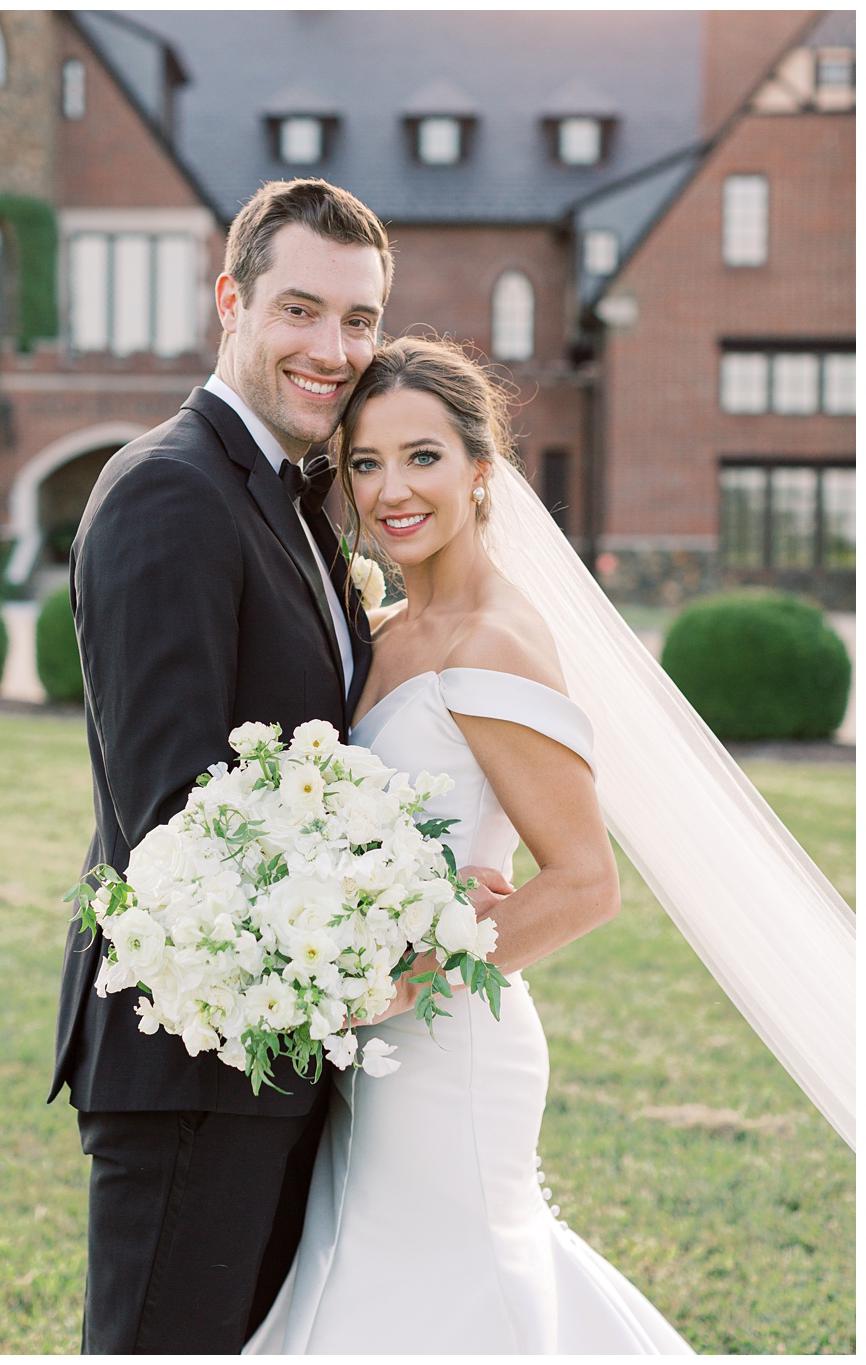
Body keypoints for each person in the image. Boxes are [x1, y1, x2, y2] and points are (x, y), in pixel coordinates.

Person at [242, 336, 690, 1353]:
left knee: (448, 1298)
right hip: (372, 1045)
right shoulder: (386, 626)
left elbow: (585, 882)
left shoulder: (492, 641)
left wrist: (403, 980)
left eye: (422, 457)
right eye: (365, 462)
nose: (390, 489)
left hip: (449, 1049)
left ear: (482, 470)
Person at [55, 178, 394, 1352]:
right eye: (299, 310)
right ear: (230, 302)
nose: (332, 350)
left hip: (279, 1052)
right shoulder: (170, 489)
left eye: (357, 320)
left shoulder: (295, 500)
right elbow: (173, 818)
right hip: (191, 1059)